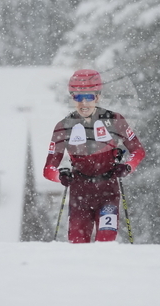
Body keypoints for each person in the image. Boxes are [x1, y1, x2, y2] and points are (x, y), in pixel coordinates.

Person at [43, 69, 146, 243]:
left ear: (97, 96)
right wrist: (60, 175)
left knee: (105, 242)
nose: (83, 103)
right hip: (79, 196)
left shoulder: (115, 120)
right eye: (77, 97)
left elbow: (138, 151)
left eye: (89, 97)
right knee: (77, 245)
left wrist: (127, 167)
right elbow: (48, 169)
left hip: (108, 193)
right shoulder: (64, 126)